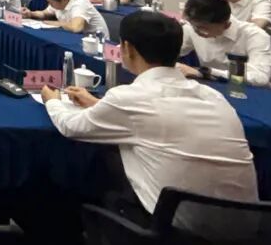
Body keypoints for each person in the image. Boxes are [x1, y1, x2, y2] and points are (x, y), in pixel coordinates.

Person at [41, 12, 258, 223]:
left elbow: (71, 126)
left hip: (175, 228)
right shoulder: (214, 97)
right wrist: (96, 103)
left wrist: (52, 100)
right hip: (248, 226)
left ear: (127, 48)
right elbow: (154, 117)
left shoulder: (129, 97)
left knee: (93, 170)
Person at [178, 0, 271, 95]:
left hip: (259, 94)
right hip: (216, 89)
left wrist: (206, 72)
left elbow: (260, 77)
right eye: (194, 26)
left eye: (204, 28)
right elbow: (174, 51)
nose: (197, 31)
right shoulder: (192, 29)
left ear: (226, 24)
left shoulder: (255, 36)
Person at [22, 0, 109, 37]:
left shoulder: (79, 4)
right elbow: (44, 13)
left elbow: (76, 28)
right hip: (77, 37)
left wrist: (53, 23)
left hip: (97, 42)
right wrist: (30, 13)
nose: (50, 4)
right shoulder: (59, 1)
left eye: (51, 2)